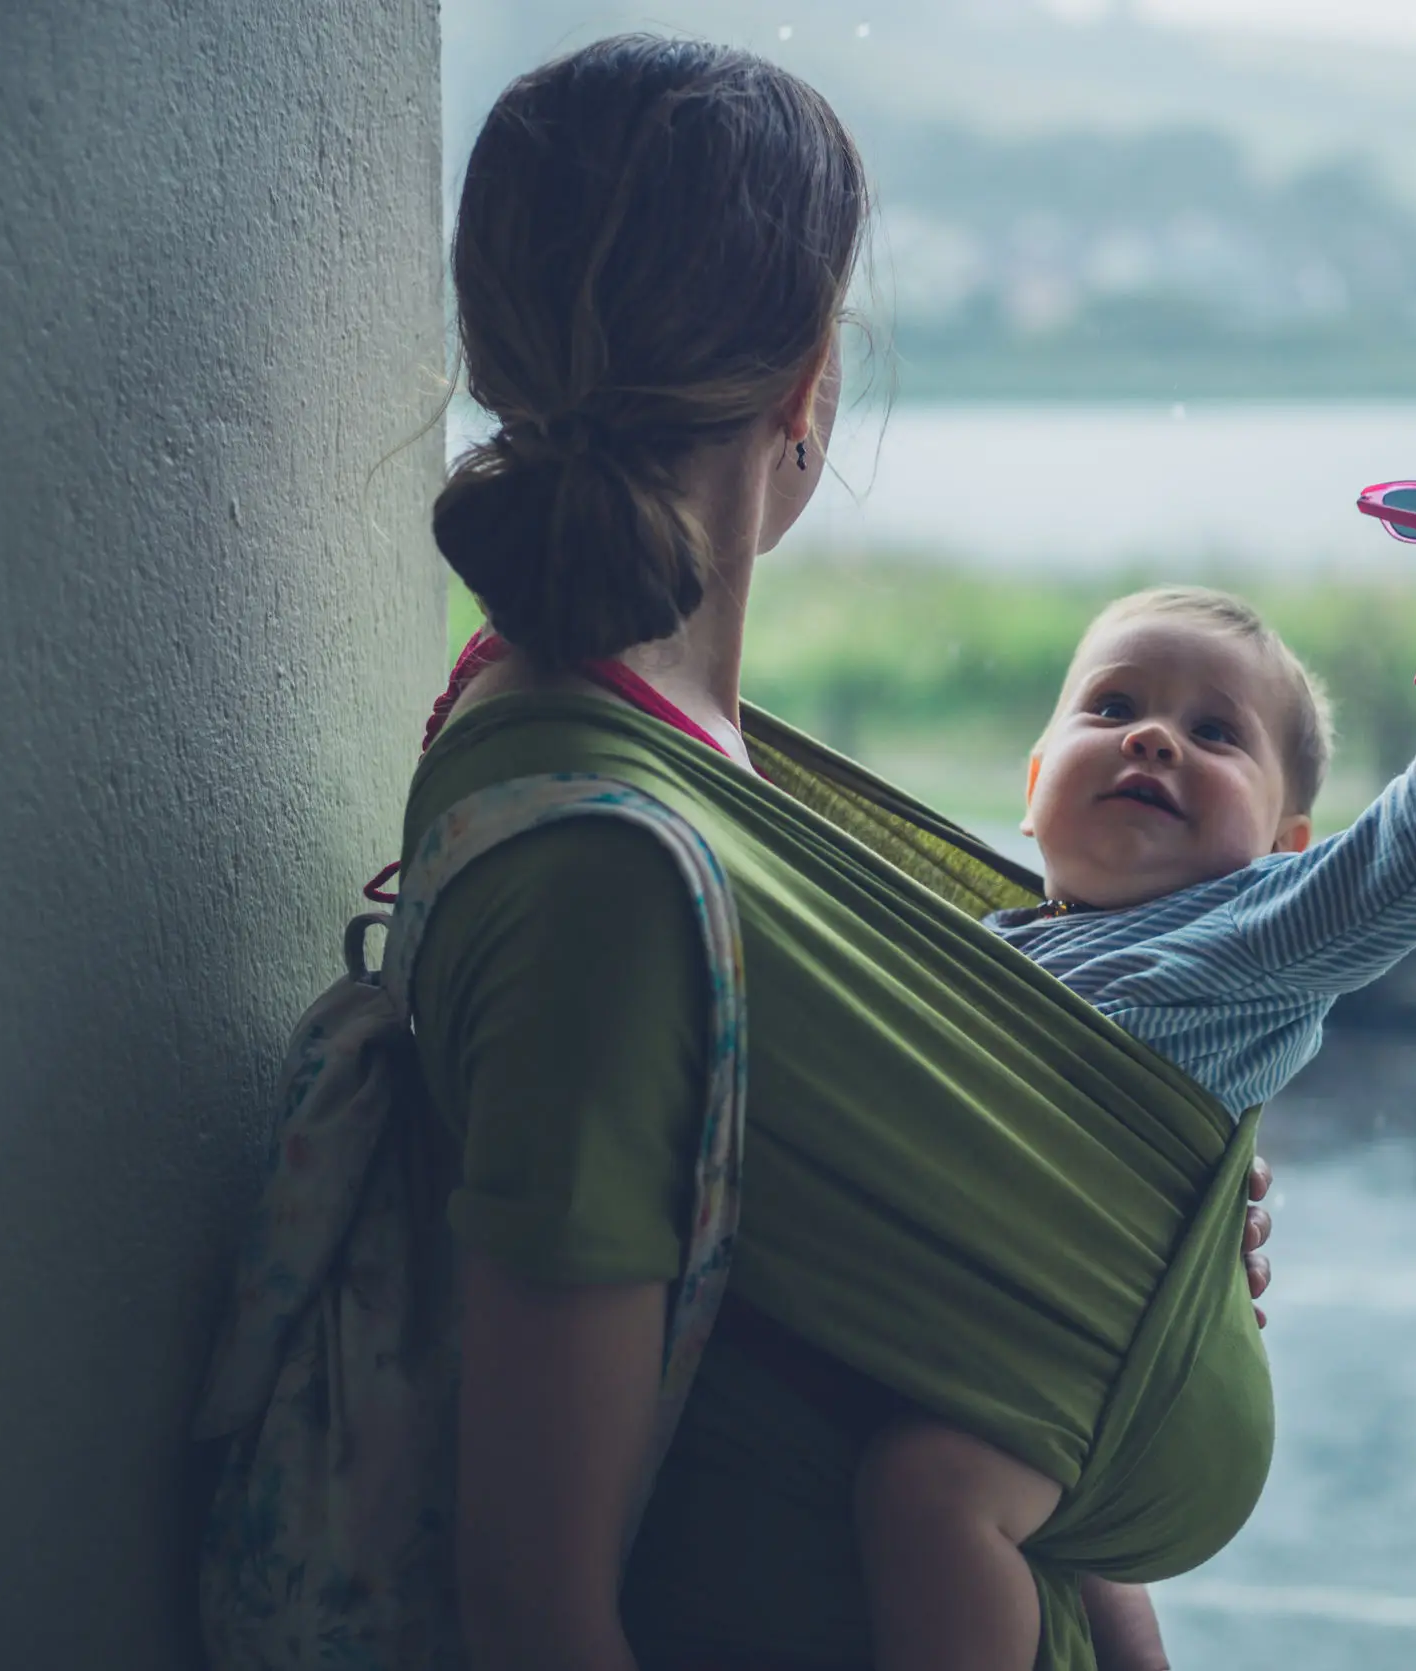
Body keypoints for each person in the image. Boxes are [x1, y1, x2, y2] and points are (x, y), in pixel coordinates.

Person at [411, 34, 1276, 1671]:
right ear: (811, 378)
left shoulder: (670, 754)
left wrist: (1106, 1221)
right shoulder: (603, 872)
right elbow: (537, 1614)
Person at [852, 581, 1416, 1670]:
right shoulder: (990, 946)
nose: (1152, 737)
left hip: (1108, 1375)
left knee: (929, 1491)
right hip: (1020, 1331)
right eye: (1112, 707)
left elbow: (1397, 867)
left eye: (1215, 732)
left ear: (1286, 851)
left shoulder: (1251, 931)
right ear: (1036, 785)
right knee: (1070, 1551)